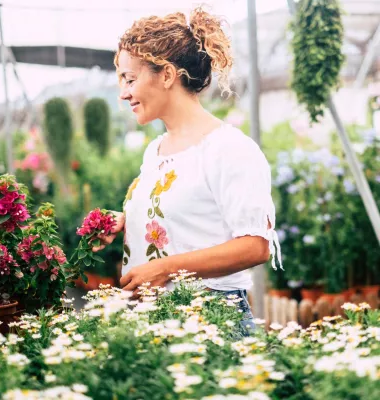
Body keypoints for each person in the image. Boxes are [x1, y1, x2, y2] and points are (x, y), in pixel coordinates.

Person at [93, 7, 282, 333]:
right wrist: (126, 222)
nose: (123, 93)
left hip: (212, 318)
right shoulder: (156, 150)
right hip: (159, 319)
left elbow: (255, 245)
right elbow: (185, 218)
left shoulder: (229, 149)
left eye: (130, 79)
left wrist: (166, 269)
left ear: (167, 75)